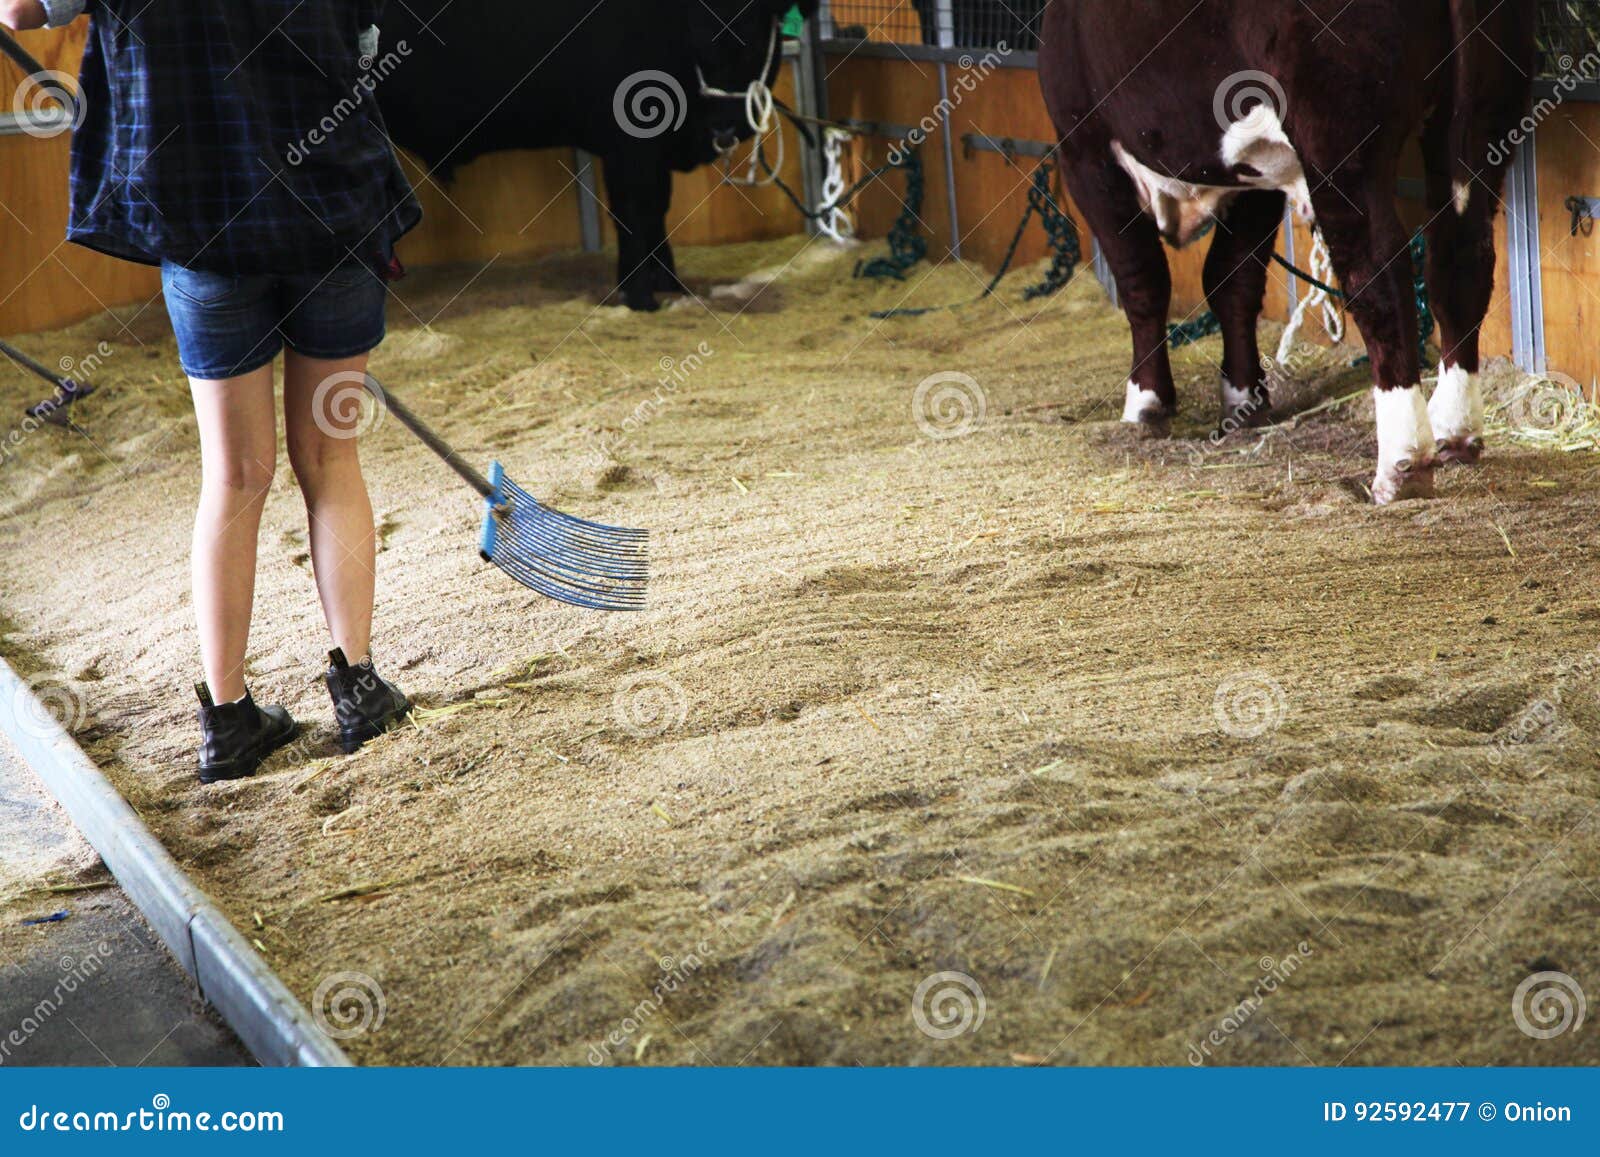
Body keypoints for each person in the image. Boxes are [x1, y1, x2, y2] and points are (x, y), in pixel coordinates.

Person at [0, 0, 421, 782]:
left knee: (234, 474)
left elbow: (22, 10)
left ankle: (229, 721)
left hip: (201, 214)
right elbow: (367, 42)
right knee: (331, 457)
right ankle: (359, 689)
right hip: (331, 204)